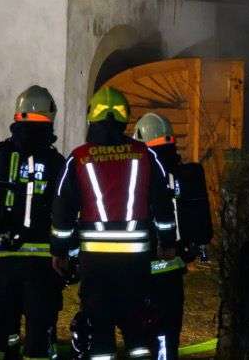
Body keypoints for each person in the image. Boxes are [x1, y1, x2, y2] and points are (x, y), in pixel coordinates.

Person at [51, 86, 177, 360]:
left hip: (95, 265)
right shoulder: (145, 154)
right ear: (124, 119)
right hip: (135, 263)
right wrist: (168, 242)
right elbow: (163, 203)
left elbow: (63, 208)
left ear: (92, 118)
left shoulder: (79, 157)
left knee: (100, 328)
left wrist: (60, 251)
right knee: (137, 328)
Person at [0, 85, 67, 360]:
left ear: (18, 114)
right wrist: (66, 252)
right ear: (50, 117)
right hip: (42, 262)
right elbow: (66, 211)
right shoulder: (57, 162)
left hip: (2, 257)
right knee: (40, 326)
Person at [133, 112, 213, 360]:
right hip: (173, 268)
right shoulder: (187, 174)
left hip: (141, 267)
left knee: (139, 329)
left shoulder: (139, 176)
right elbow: (201, 223)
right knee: (168, 330)